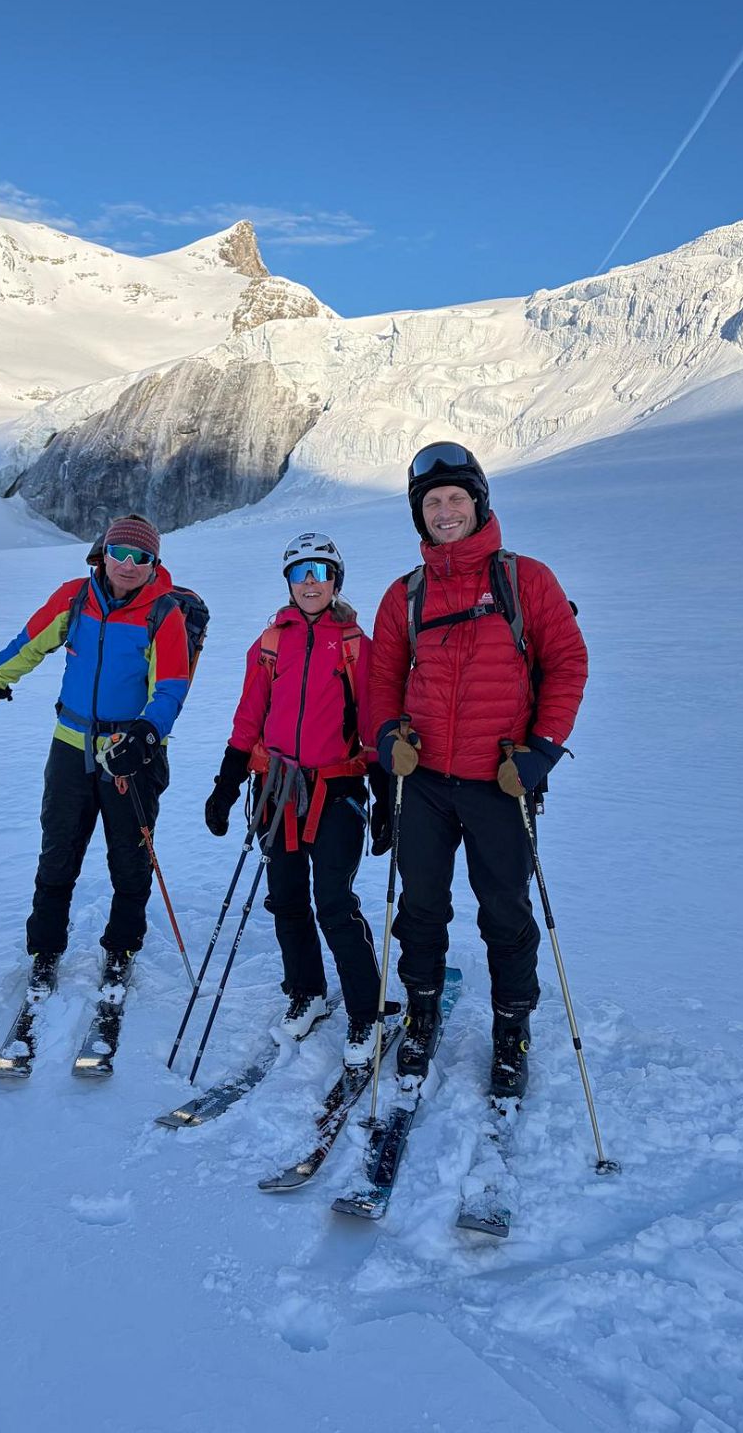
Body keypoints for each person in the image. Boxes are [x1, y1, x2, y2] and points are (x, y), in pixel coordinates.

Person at [369, 443, 588, 1098]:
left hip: (501, 782)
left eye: (456, 499)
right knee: (421, 907)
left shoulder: (527, 581)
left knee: (505, 911)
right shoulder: (405, 594)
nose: (445, 512)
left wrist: (541, 750)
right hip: (424, 782)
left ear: (479, 503)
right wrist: (386, 737)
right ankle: (422, 1010)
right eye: (432, 502)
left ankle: (512, 1029)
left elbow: (567, 664)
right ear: (419, 513)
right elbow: (381, 679)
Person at [0, 514, 191, 995]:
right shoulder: (74, 599)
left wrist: (145, 738)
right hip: (71, 747)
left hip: (130, 757)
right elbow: (23, 650)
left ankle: (122, 948)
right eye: (120, 553)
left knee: (130, 860)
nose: (129, 565)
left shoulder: (163, 615)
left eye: (142, 557)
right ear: (104, 554)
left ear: (155, 564)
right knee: (57, 854)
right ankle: (45, 950)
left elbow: (170, 689)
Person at [203, 532, 385, 1069]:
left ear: (336, 581)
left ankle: (367, 1011)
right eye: (300, 571)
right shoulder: (270, 642)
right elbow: (248, 716)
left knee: (333, 902)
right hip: (277, 790)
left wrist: (383, 796)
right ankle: (306, 992)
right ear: (288, 581)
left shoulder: (355, 644)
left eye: (320, 571)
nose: (310, 581)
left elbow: (373, 721)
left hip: (338, 789)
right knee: (285, 898)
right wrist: (226, 784)